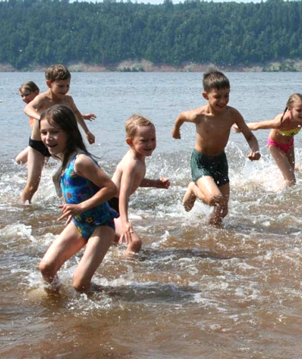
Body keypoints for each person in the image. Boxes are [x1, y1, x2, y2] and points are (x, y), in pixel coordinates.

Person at [37, 105, 117, 293]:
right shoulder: (63, 160)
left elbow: (111, 188)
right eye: (44, 132)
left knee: (79, 284)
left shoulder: (81, 161)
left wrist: (81, 206)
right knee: (46, 268)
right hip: (80, 223)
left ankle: (114, 298)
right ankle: (56, 302)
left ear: (70, 132)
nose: (48, 138)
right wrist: (74, 211)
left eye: (55, 132)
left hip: (101, 224)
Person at [171, 70, 261, 226]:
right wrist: (176, 130)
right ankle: (193, 188)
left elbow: (250, 136)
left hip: (220, 160)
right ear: (206, 96)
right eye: (217, 97)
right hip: (200, 161)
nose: (223, 101)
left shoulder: (232, 114)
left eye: (226, 95)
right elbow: (181, 116)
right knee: (215, 199)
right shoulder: (199, 115)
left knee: (222, 210)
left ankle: (209, 232)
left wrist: (255, 150)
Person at [21, 64, 96, 204]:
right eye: (60, 86)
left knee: (73, 170)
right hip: (38, 144)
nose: (65, 89)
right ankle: (22, 208)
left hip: (59, 143)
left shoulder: (67, 99)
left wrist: (87, 131)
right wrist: (41, 118)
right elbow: (27, 108)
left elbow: (75, 113)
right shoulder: (43, 99)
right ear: (49, 84)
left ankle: (67, 196)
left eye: (68, 85)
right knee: (32, 186)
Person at [110, 114, 170, 253]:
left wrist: (155, 183)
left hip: (114, 204)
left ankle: (113, 262)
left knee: (112, 243)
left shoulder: (138, 156)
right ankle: (126, 265)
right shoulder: (131, 163)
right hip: (108, 206)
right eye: (144, 141)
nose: (150, 144)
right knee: (135, 242)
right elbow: (123, 194)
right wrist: (125, 222)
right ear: (130, 142)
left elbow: (134, 181)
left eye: (153, 139)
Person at [238, 93, 302, 186]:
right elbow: (257, 125)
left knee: (290, 173)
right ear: (289, 109)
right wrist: (240, 127)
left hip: (289, 145)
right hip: (275, 145)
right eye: (299, 110)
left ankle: (273, 181)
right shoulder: (281, 121)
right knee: (291, 180)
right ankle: (277, 193)